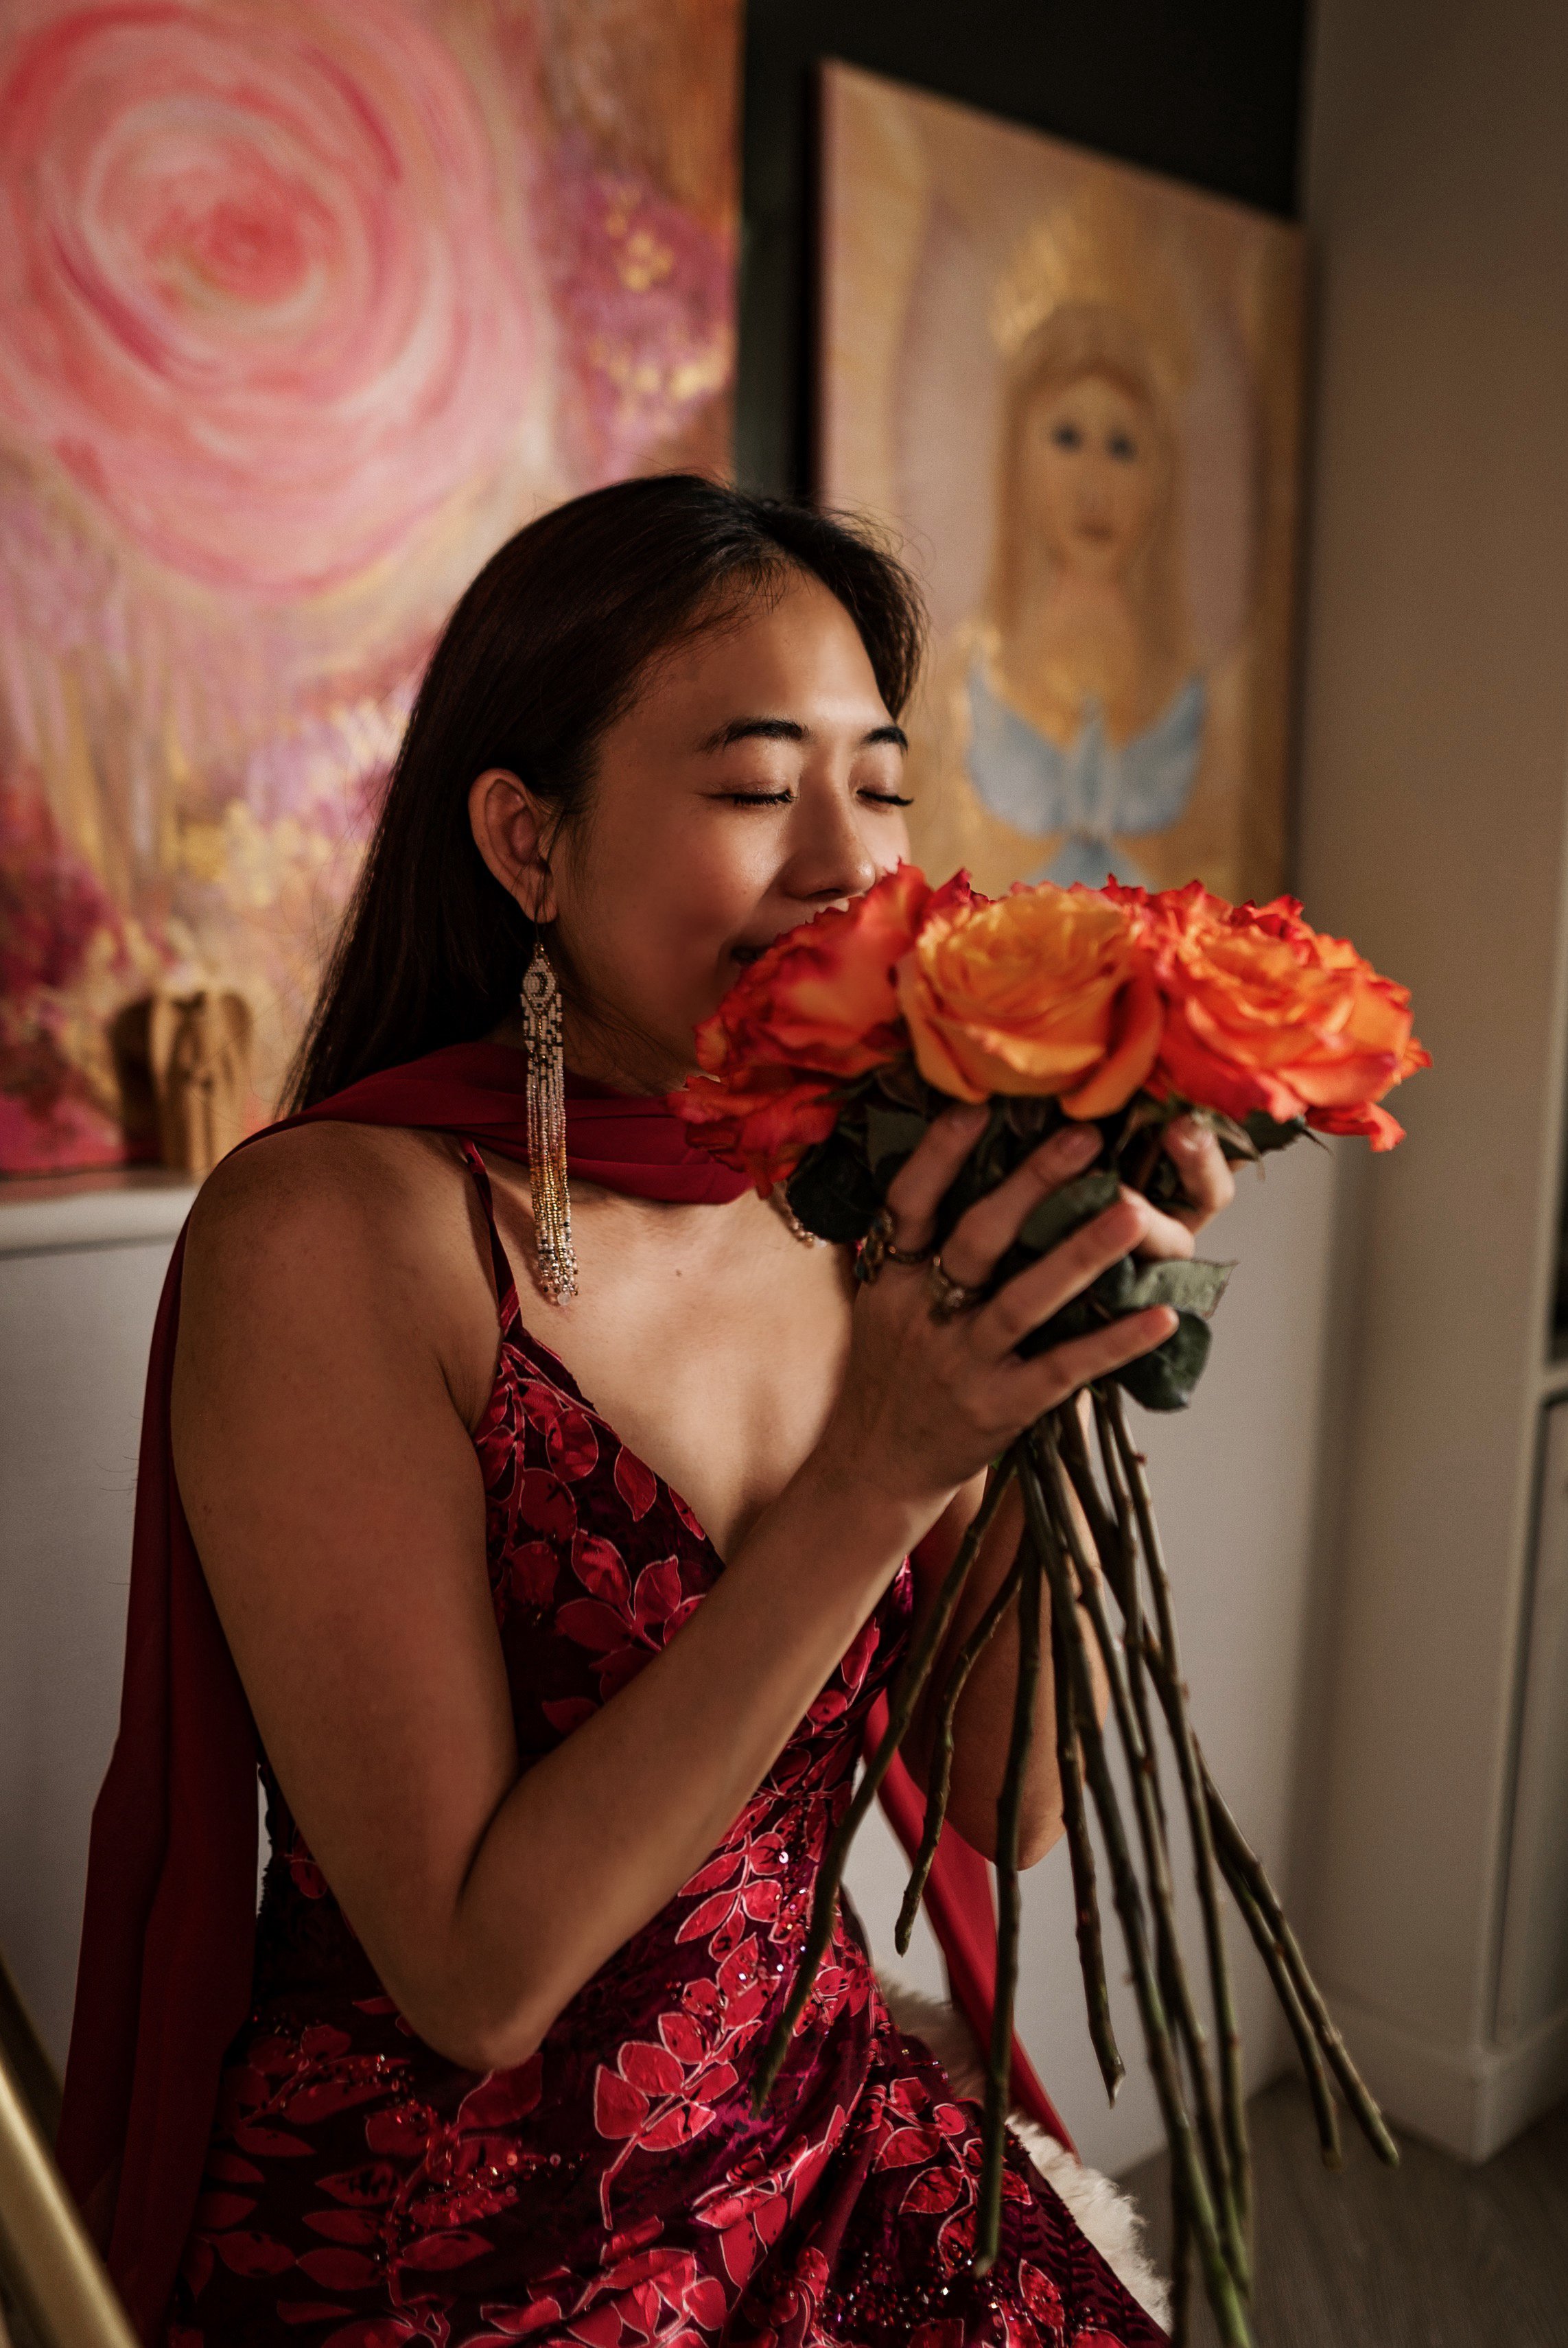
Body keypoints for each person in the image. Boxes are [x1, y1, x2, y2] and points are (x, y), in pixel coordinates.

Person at [62, 475, 1233, 2347]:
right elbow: (472, 1974)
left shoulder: (846, 1196)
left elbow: (1003, 1805)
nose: (853, 865)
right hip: (459, 2240)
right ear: (528, 839)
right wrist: (872, 1472)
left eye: (886, 784)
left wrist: (1049, 1323)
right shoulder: (339, 1234)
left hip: (815, 2121)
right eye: (762, 786)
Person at [912, 303, 1213, 900]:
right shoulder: (966, 671)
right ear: (1018, 457)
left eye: (1123, 446)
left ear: (1160, 478)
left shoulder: (1189, 685)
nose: (1093, 485)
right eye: (1067, 438)